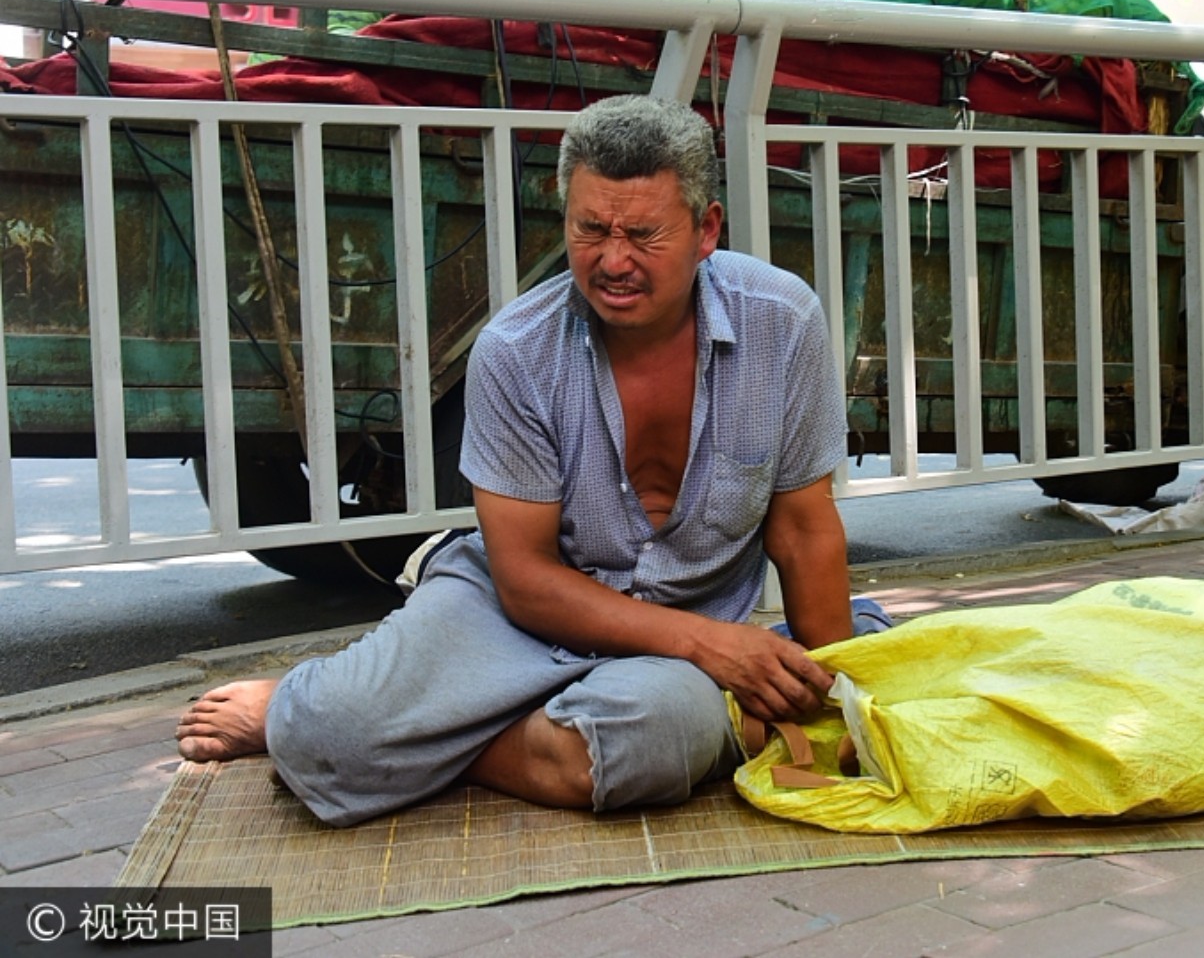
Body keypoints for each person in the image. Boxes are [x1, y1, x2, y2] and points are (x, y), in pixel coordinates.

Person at [176, 95, 887, 826]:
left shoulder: (783, 320)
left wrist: (836, 689)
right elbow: (525, 582)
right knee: (327, 733)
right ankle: (314, 708)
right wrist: (718, 649)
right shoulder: (517, 349)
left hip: (673, 653)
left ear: (706, 230)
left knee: (653, 740)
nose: (614, 261)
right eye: (590, 230)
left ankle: (429, 738)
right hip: (515, 614)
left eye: (644, 234)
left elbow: (803, 531)